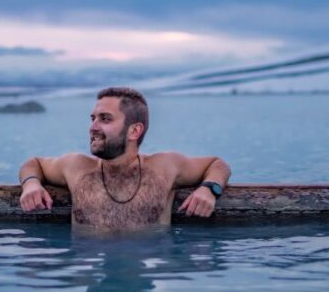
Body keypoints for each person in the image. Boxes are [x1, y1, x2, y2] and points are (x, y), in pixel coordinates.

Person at [18, 87, 231, 230]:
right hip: (89, 270)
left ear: (134, 131)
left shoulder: (164, 167)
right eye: (93, 119)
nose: (93, 127)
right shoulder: (76, 167)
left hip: (144, 269)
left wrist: (209, 190)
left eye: (105, 119)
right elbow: (33, 164)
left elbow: (217, 164)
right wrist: (31, 185)